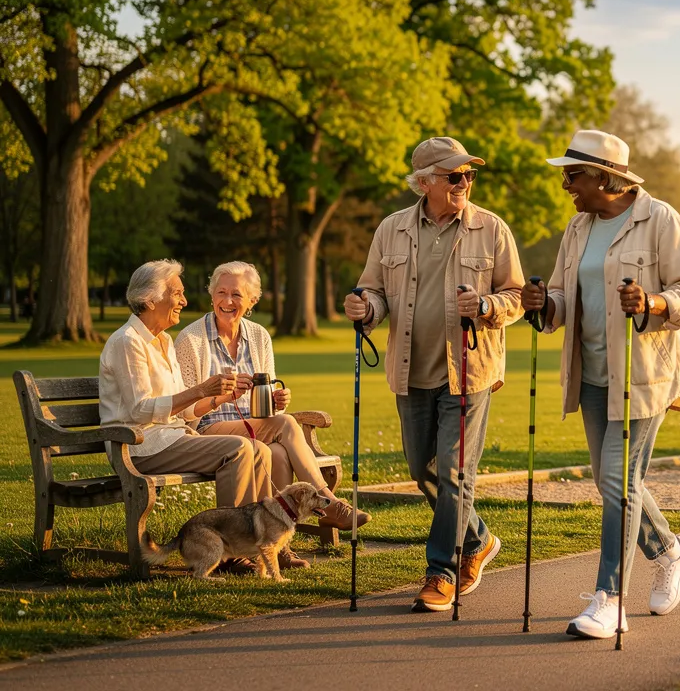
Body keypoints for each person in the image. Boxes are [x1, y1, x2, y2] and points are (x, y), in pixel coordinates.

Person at [522, 129, 680, 640]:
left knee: (615, 483)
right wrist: (544, 305)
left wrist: (651, 303)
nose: (565, 183)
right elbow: (562, 296)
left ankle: (611, 598)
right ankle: (671, 550)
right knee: (616, 483)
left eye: (573, 174)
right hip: (593, 376)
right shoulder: (577, 228)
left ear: (605, 178)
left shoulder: (660, 218)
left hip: (644, 376)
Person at [345, 136, 524, 613]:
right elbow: (374, 289)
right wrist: (365, 307)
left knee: (454, 470)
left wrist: (486, 305)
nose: (465, 182)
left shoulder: (491, 227)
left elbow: (516, 295)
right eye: (454, 175)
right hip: (410, 371)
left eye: (468, 175)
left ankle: (442, 569)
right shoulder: (392, 229)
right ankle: (480, 538)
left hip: (469, 370)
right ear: (424, 182)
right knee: (420, 467)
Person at [177, 261, 370, 570]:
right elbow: (185, 409)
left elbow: (268, 405)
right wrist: (221, 396)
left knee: (278, 452)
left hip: (253, 427)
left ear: (252, 300)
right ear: (212, 294)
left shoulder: (259, 336)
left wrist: (280, 400)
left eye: (237, 295)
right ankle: (330, 504)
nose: (227, 301)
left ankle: (276, 546)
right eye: (221, 292)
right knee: (285, 424)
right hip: (206, 429)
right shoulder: (191, 340)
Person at [99, 260, 270, 574]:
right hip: (139, 447)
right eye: (176, 294)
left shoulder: (163, 342)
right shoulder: (127, 342)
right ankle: (229, 551)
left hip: (171, 438)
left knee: (258, 449)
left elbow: (186, 409)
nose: (184, 301)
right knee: (238, 449)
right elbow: (139, 410)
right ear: (151, 299)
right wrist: (200, 389)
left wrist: (219, 396)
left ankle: (256, 547)